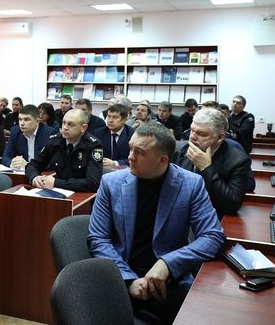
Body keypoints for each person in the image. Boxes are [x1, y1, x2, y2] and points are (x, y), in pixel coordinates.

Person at [88, 124, 225, 323]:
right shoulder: (111, 183)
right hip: (121, 276)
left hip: (171, 282)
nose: (130, 157)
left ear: (162, 160)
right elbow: (98, 239)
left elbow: (213, 236)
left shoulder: (191, 183)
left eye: (140, 152)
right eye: (130, 148)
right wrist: (129, 280)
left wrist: (167, 263)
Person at [173, 108, 253, 218]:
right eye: (192, 130)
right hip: (177, 215)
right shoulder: (177, 149)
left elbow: (232, 205)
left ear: (220, 137)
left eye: (201, 134)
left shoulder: (238, 160)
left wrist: (206, 168)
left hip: (210, 218)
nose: (192, 137)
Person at [25, 108, 104, 192]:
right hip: (57, 193)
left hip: (82, 194)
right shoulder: (54, 142)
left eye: (70, 124)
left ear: (83, 128)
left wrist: (56, 183)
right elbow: (32, 165)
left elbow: (92, 183)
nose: (65, 127)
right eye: (63, 123)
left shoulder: (93, 145)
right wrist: (35, 177)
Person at [2, 104, 56, 169]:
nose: (22, 123)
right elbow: (6, 157)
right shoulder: (15, 132)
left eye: (26, 120)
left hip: (41, 173)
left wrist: (28, 165)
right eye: (20, 119)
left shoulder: (49, 133)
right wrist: (12, 164)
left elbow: (52, 163)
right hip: (21, 172)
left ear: (37, 121)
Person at [90, 103, 135, 168]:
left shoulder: (132, 134)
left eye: (115, 117)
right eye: (109, 116)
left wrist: (115, 163)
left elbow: (135, 159)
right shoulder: (98, 133)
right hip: (102, 169)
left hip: (124, 170)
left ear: (124, 120)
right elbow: (91, 155)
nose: (110, 120)